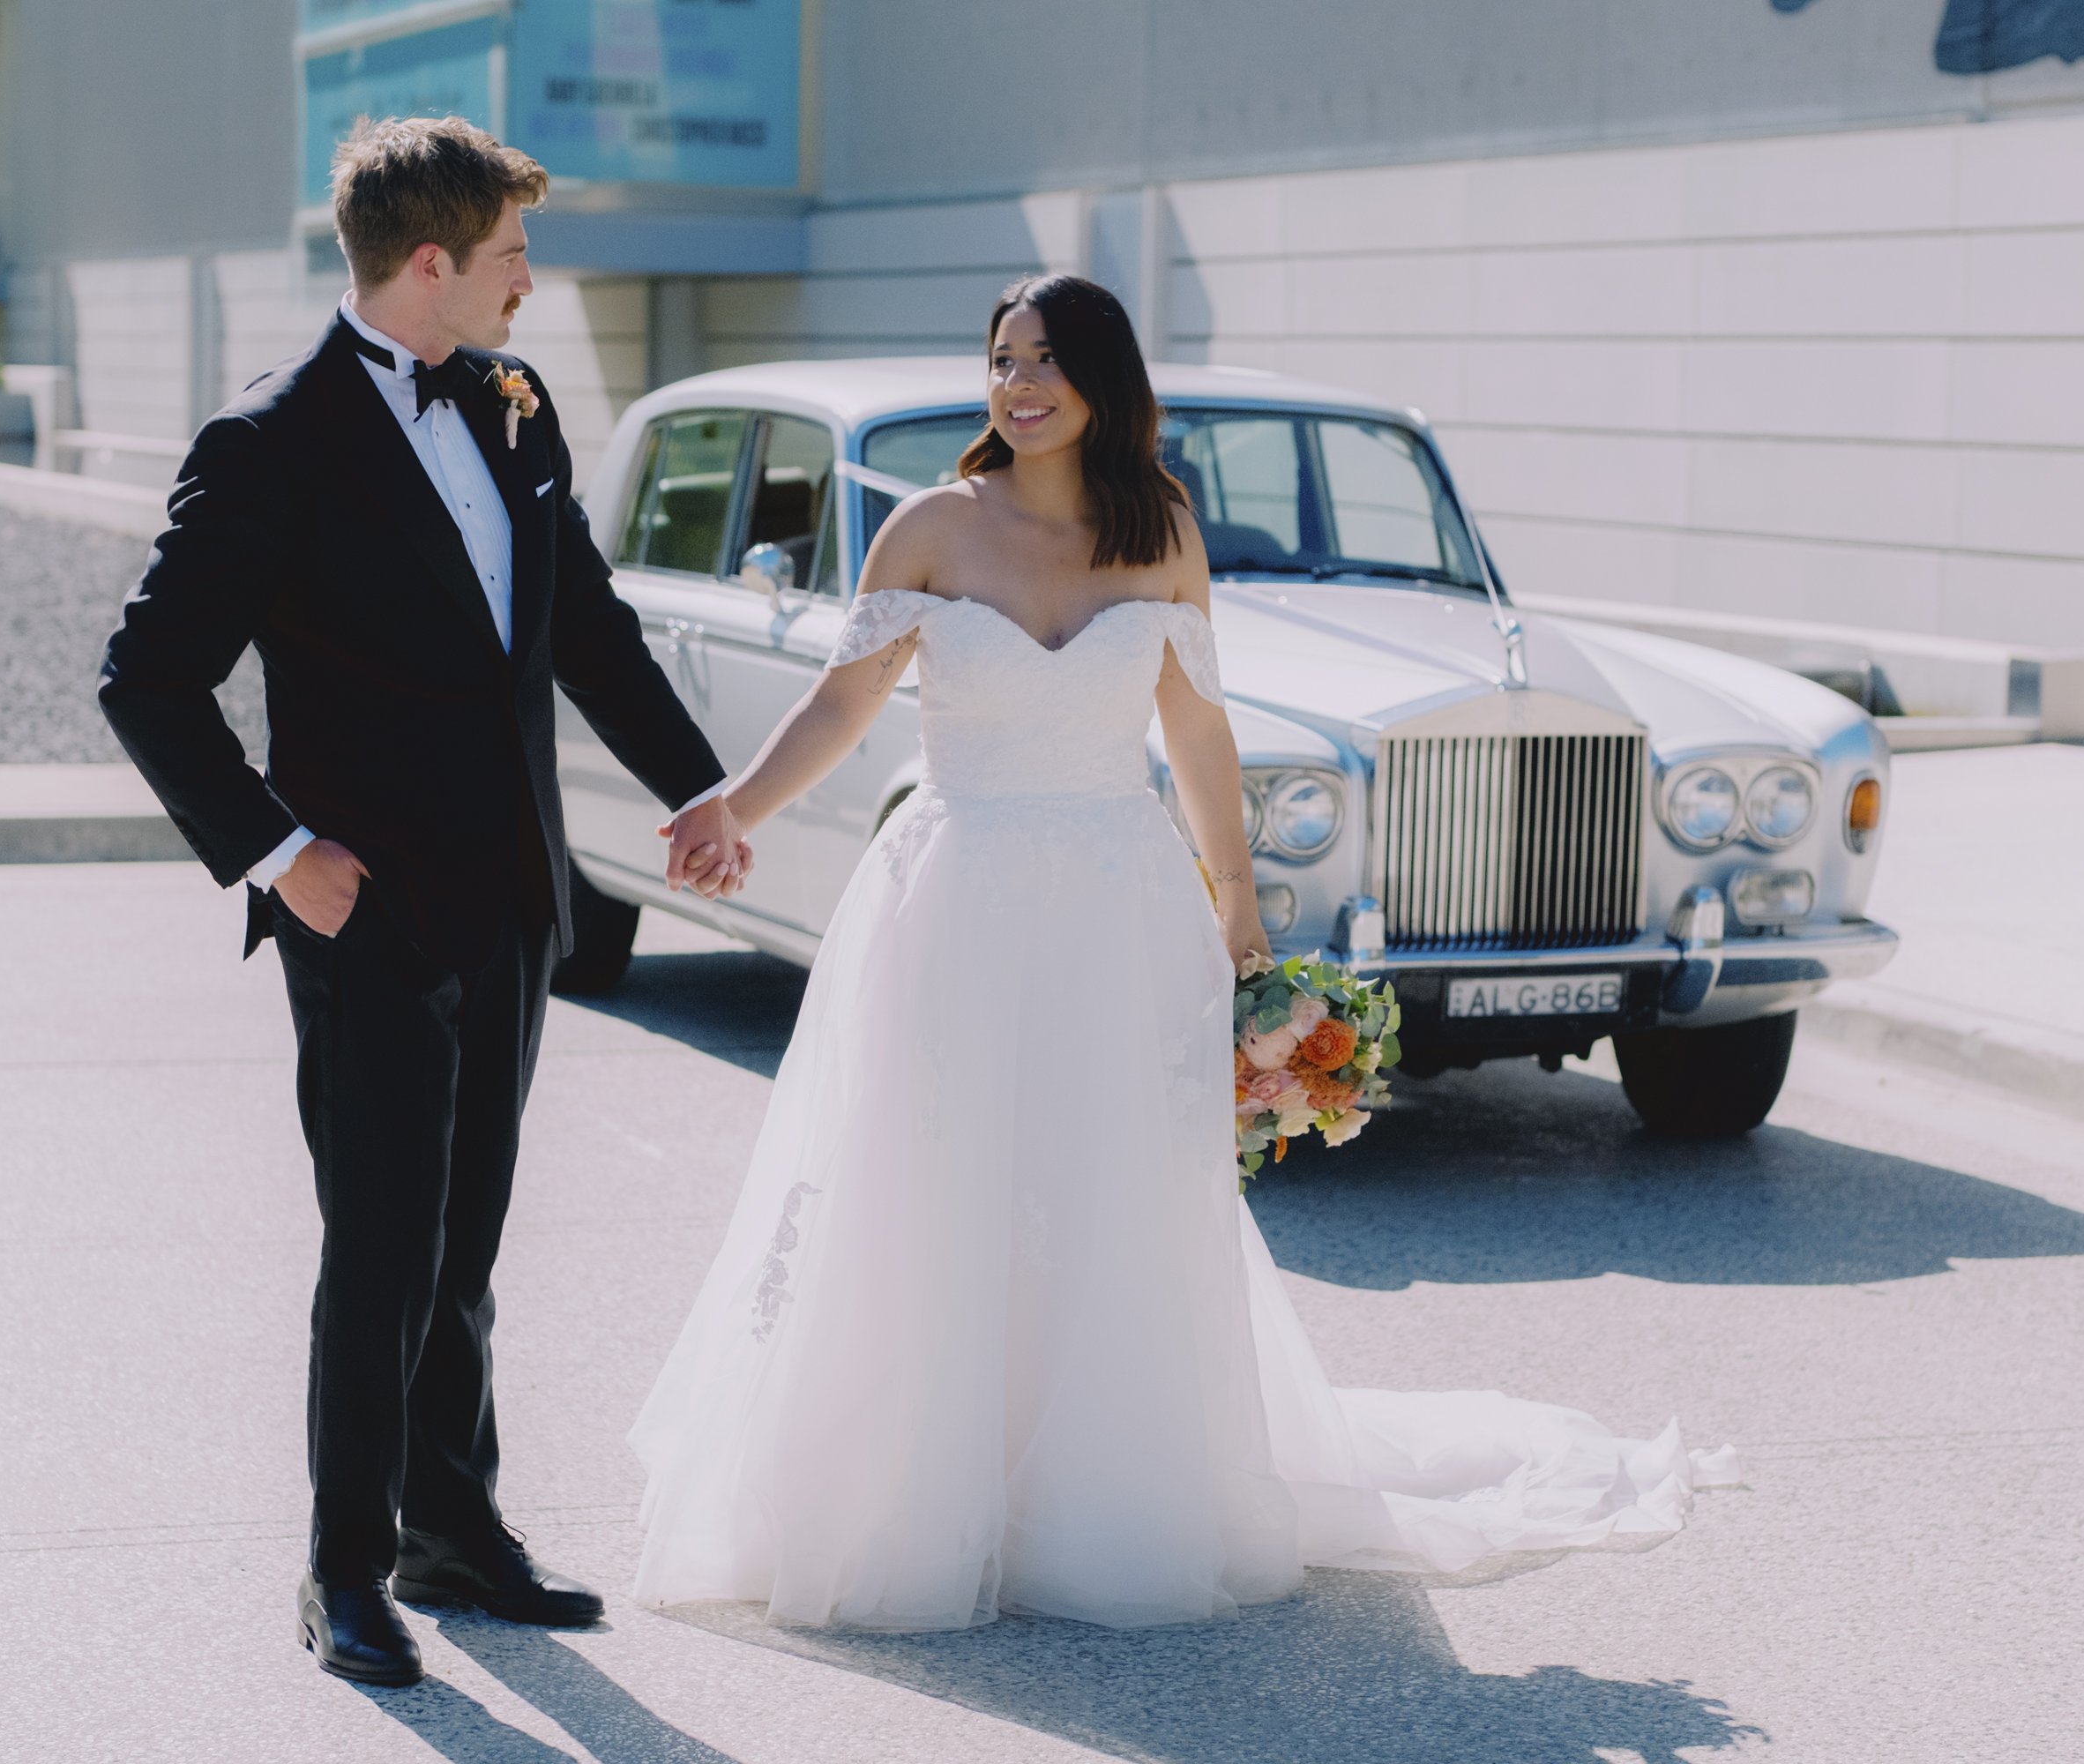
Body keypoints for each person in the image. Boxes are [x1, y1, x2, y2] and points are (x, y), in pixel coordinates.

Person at [626, 274, 1737, 1631]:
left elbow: (1199, 730)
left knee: (1107, 1186)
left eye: (1045, 360)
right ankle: (924, 1489)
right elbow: (845, 700)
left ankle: (1091, 1493)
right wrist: (736, 804)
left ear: (1103, 376)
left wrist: (1239, 904)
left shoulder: (1160, 534)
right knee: (939, 1169)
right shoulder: (925, 527)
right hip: (957, 895)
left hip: (1115, 897)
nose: (1017, 385)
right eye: (1000, 361)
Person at [98, 116, 751, 1686]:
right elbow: (147, 679)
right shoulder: (270, 440)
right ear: (435, 264)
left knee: (467, 1238)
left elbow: (582, 626)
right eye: (516, 255)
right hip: (362, 910)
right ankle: (344, 1571)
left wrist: (696, 786)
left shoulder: (517, 410)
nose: (536, 281)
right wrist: (274, 850)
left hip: (519, 896)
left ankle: (455, 1529)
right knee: (378, 1246)